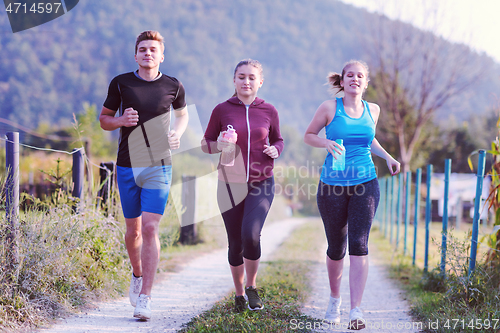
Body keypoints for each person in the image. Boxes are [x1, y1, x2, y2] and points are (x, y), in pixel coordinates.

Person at [99, 30, 189, 320]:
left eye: (153, 49)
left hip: (159, 165)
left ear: (162, 55)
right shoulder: (121, 83)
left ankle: (146, 298)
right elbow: (103, 120)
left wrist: (177, 132)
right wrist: (120, 120)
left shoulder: (173, 86)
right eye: (143, 49)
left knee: (150, 228)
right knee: (133, 231)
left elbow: (183, 115)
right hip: (127, 165)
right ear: (135, 55)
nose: (148, 53)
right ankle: (136, 274)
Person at [304, 60, 400, 330]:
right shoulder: (328, 108)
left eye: (360, 76)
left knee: (359, 244)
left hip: (366, 183)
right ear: (342, 81)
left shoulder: (374, 110)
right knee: (337, 247)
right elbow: (309, 135)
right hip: (332, 185)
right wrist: (326, 142)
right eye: (350, 75)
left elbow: (368, 140)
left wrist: (388, 157)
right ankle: (335, 300)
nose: (355, 79)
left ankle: (355, 310)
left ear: (366, 82)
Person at [201, 59, 284, 312]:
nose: (246, 81)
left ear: (260, 82)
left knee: (251, 234)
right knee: (235, 242)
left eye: (251, 77)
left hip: (262, 181)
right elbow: (206, 144)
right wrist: (221, 145)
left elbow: (279, 139)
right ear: (234, 80)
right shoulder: (221, 110)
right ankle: (238, 295)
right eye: (241, 77)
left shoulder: (269, 110)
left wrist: (275, 149)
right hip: (229, 183)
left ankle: (251, 287)